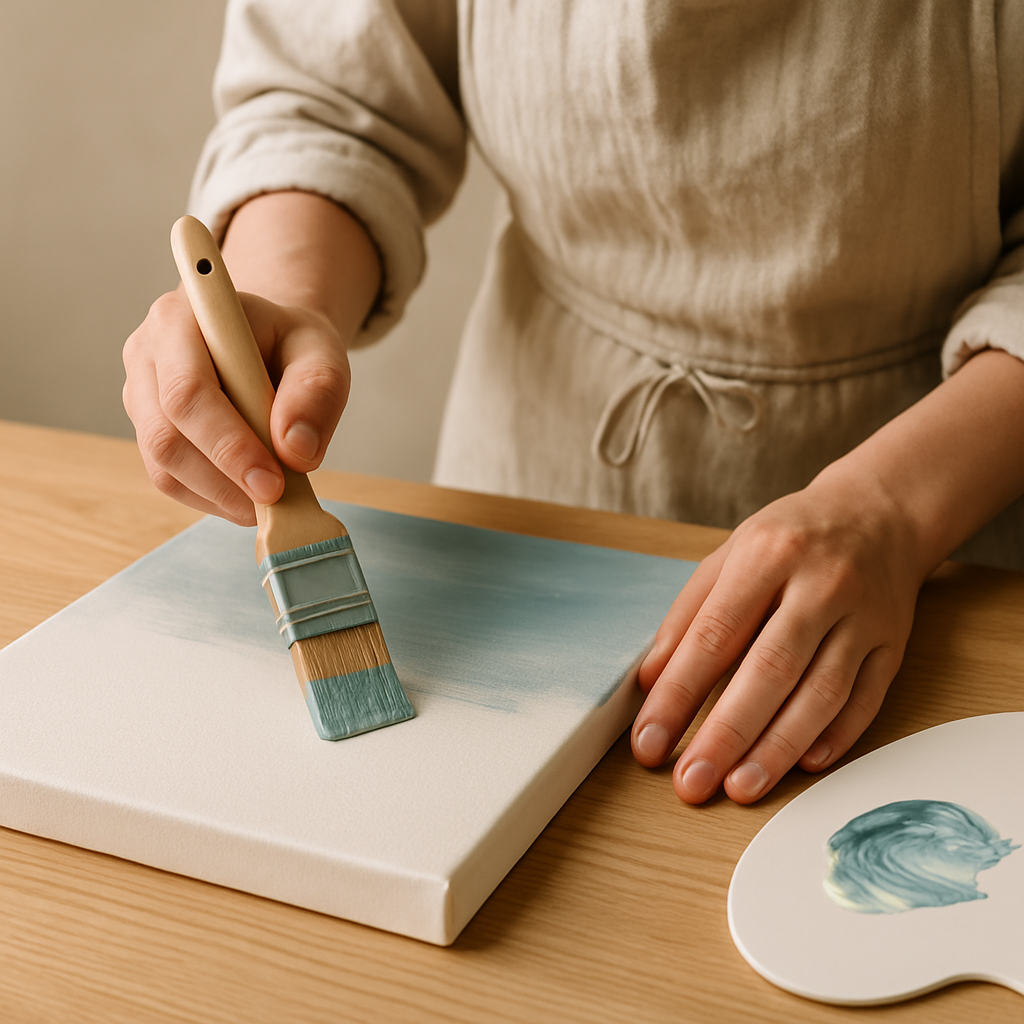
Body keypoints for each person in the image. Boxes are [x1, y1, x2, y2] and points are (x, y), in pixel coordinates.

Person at [123, 1, 1024, 805]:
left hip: (957, 517)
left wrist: (893, 510)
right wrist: (286, 303)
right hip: (530, 491)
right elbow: (332, 102)